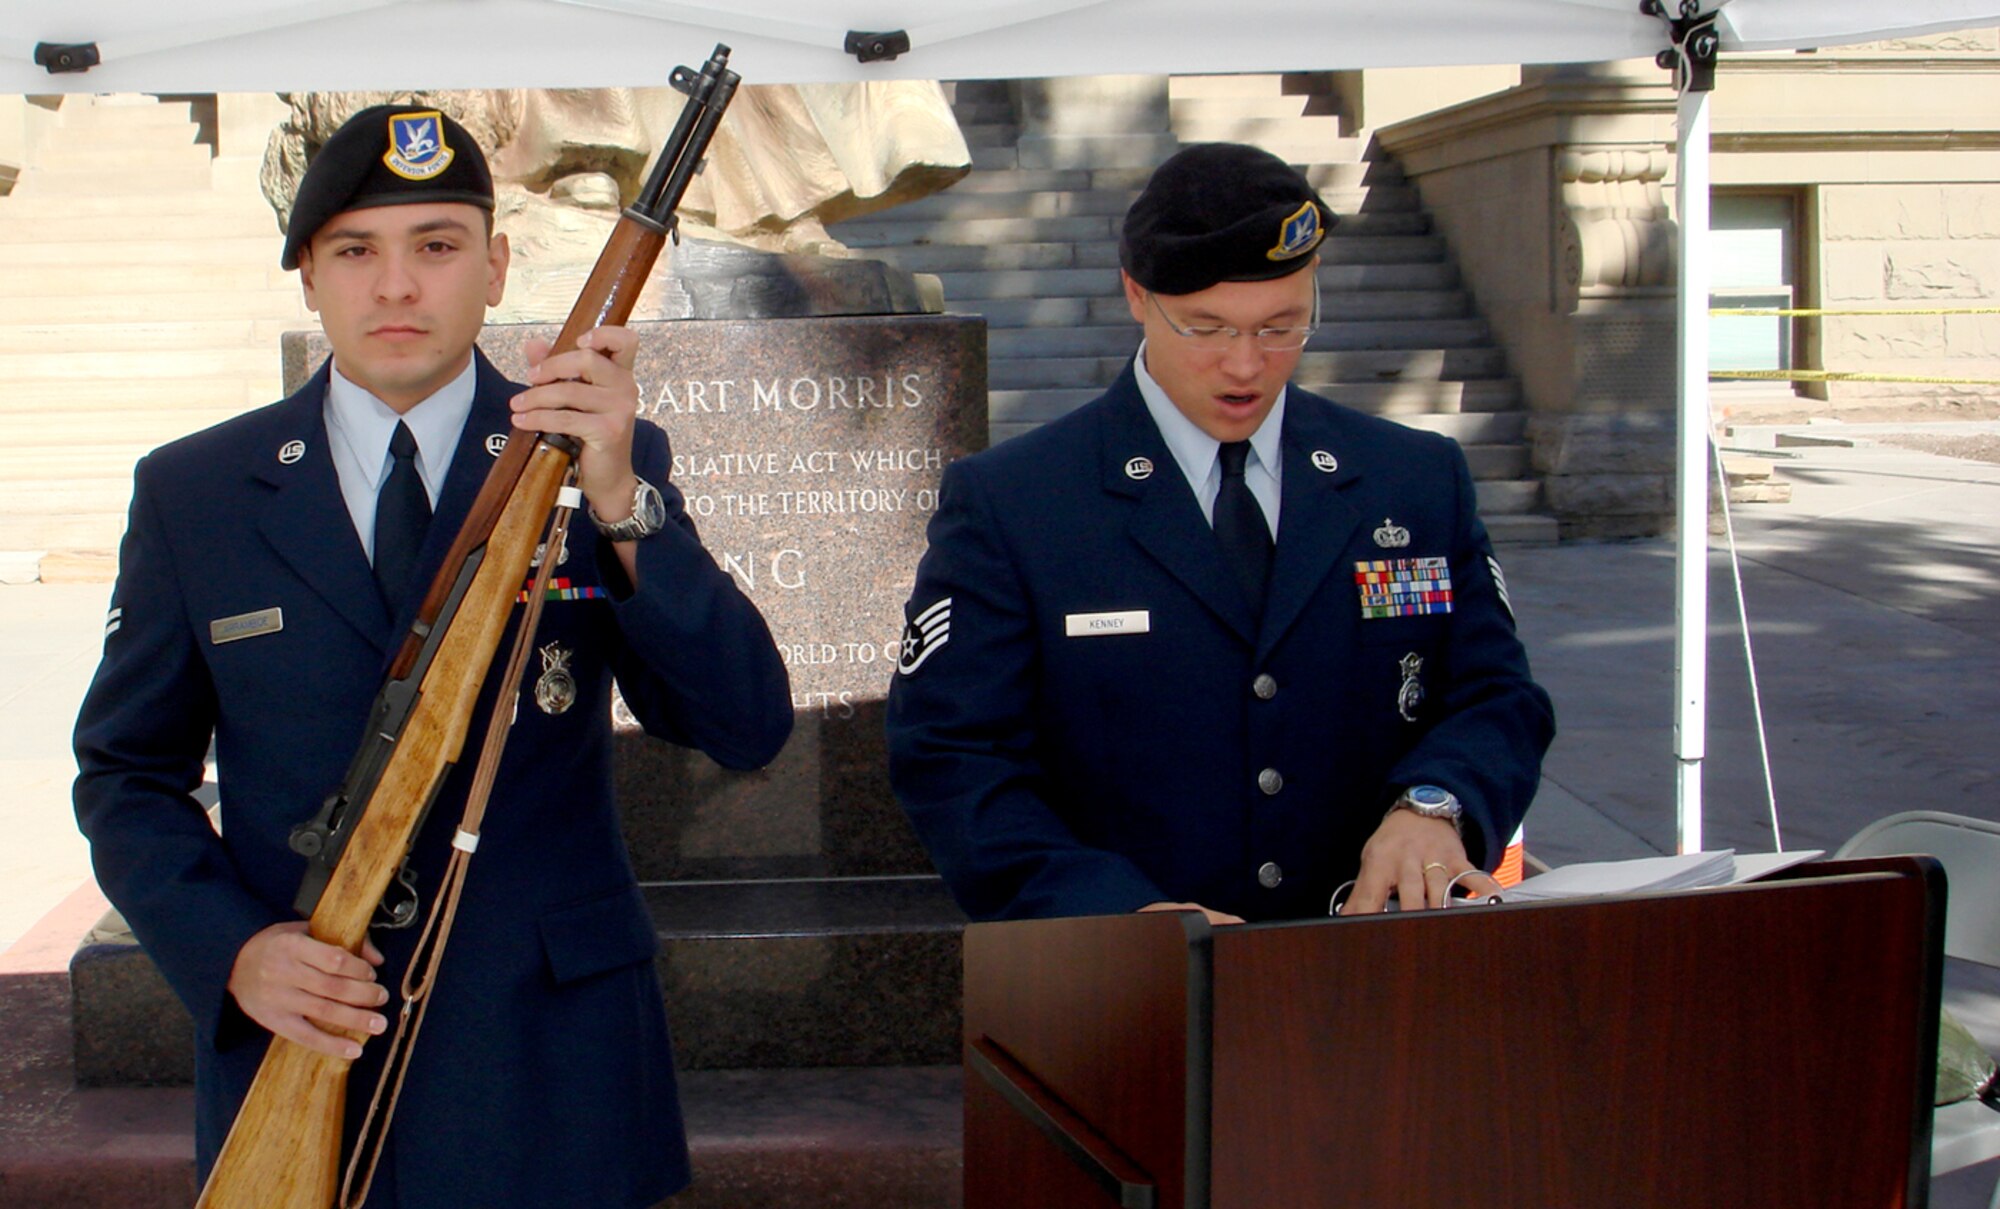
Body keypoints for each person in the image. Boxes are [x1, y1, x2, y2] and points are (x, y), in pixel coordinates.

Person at [72, 105, 792, 1206]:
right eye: (355, 251)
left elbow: (743, 724)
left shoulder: (597, 458)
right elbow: (126, 778)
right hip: (310, 1042)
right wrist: (234, 953)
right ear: (306, 277)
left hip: (553, 1074)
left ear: (497, 268)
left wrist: (620, 504)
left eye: (437, 247)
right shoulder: (197, 493)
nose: (396, 288)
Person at [885, 142, 1554, 925]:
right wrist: (1115, 914)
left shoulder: (1412, 478)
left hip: (1374, 974)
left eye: (1282, 327)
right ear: (1137, 294)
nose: (1246, 365)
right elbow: (952, 755)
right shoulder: (1019, 502)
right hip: (1127, 990)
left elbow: (1497, 697)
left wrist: (1436, 804)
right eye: (1206, 327)